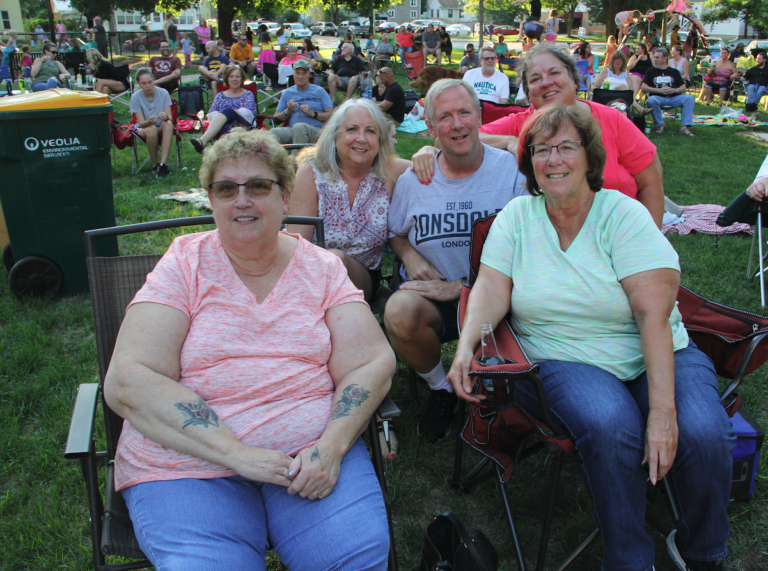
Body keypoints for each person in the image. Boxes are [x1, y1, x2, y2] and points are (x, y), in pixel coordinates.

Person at [447, 103, 733, 571]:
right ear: (529, 162)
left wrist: (662, 412)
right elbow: (491, 289)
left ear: (589, 157)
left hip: (656, 350)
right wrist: (465, 349)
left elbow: (653, 316)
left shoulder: (623, 214)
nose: (554, 160)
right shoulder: (517, 217)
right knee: (608, 423)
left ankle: (702, 551)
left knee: (702, 430)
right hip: (563, 357)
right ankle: (629, 560)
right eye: (541, 150)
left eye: (566, 147)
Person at [104, 127, 394, 570]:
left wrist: (332, 447)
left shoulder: (322, 268)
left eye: (258, 186)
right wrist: (237, 455)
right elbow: (129, 378)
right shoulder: (184, 263)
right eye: (226, 188)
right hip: (188, 464)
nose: (242, 200)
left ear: (284, 195)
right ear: (212, 199)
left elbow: (371, 360)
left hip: (307, 458)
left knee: (354, 559)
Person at [384, 79, 527, 443]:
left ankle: (508, 395)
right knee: (399, 309)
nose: (457, 124)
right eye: (444, 117)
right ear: (430, 129)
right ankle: (440, 388)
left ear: (480, 116)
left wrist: (462, 286)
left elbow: (530, 247)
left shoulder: (510, 171)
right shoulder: (415, 178)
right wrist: (408, 253)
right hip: (434, 300)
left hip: (502, 299)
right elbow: (395, 232)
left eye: (465, 112)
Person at [412, 43, 666, 228]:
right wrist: (510, 141)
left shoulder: (612, 120)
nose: (546, 82)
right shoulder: (520, 124)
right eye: (535, 79)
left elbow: (651, 180)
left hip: (621, 229)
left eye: (554, 73)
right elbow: (455, 137)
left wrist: (651, 240)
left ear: (573, 79)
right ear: (528, 92)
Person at [288, 97, 411, 304]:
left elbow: (440, 165)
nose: (361, 138)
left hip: (362, 278)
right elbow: (295, 245)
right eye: (352, 129)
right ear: (335, 135)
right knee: (331, 259)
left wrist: (427, 151)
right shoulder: (312, 173)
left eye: (370, 131)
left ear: (380, 139)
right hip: (308, 278)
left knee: (337, 259)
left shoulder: (388, 171)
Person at [190, 66, 256, 153]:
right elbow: (211, 114)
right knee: (225, 125)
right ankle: (229, 153)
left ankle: (203, 140)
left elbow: (248, 114)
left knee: (227, 111)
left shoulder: (247, 94)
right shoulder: (220, 96)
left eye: (237, 76)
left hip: (243, 126)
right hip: (224, 127)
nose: (234, 79)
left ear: (242, 78)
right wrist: (225, 118)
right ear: (227, 78)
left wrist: (228, 115)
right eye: (231, 76)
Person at [268, 59, 334, 145]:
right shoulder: (287, 93)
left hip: (315, 131)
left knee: (299, 127)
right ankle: (280, 158)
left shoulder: (319, 91)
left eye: (304, 73)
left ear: (309, 74)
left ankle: (298, 159)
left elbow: (331, 116)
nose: (300, 76)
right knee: (273, 133)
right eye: (297, 73)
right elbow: (276, 118)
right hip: (292, 130)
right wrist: (288, 111)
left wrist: (313, 113)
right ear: (293, 74)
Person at [129, 68, 174, 178]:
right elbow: (141, 123)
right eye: (143, 83)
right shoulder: (135, 97)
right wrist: (148, 122)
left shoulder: (163, 93)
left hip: (160, 127)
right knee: (151, 129)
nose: (148, 86)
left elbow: (170, 118)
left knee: (168, 124)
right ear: (139, 84)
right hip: (144, 128)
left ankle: (163, 165)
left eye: (150, 82)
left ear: (154, 80)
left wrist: (166, 117)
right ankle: (155, 164)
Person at [641, 48, 695, 136]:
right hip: (658, 98)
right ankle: (661, 125)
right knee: (650, 100)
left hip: (674, 97)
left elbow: (683, 87)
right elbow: (643, 87)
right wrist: (658, 90)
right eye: (654, 57)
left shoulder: (674, 72)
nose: (654, 59)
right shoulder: (650, 71)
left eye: (657, 57)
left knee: (689, 98)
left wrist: (675, 90)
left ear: (665, 59)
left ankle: (684, 127)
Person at [593, 50, 651, 117]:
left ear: (623, 62)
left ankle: (638, 110)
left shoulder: (625, 72)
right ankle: (639, 109)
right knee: (622, 86)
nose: (618, 61)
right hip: (607, 97)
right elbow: (595, 88)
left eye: (620, 59)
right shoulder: (606, 71)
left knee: (626, 91)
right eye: (616, 59)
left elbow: (630, 89)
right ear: (612, 60)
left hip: (623, 100)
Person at [744, 51, 768, 115]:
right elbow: (745, 77)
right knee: (751, 88)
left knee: (760, 90)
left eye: (759, 59)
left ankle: (751, 107)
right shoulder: (753, 69)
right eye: (757, 58)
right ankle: (753, 107)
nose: (757, 60)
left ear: (765, 60)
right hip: (752, 84)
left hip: (763, 85)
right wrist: (738, 77)